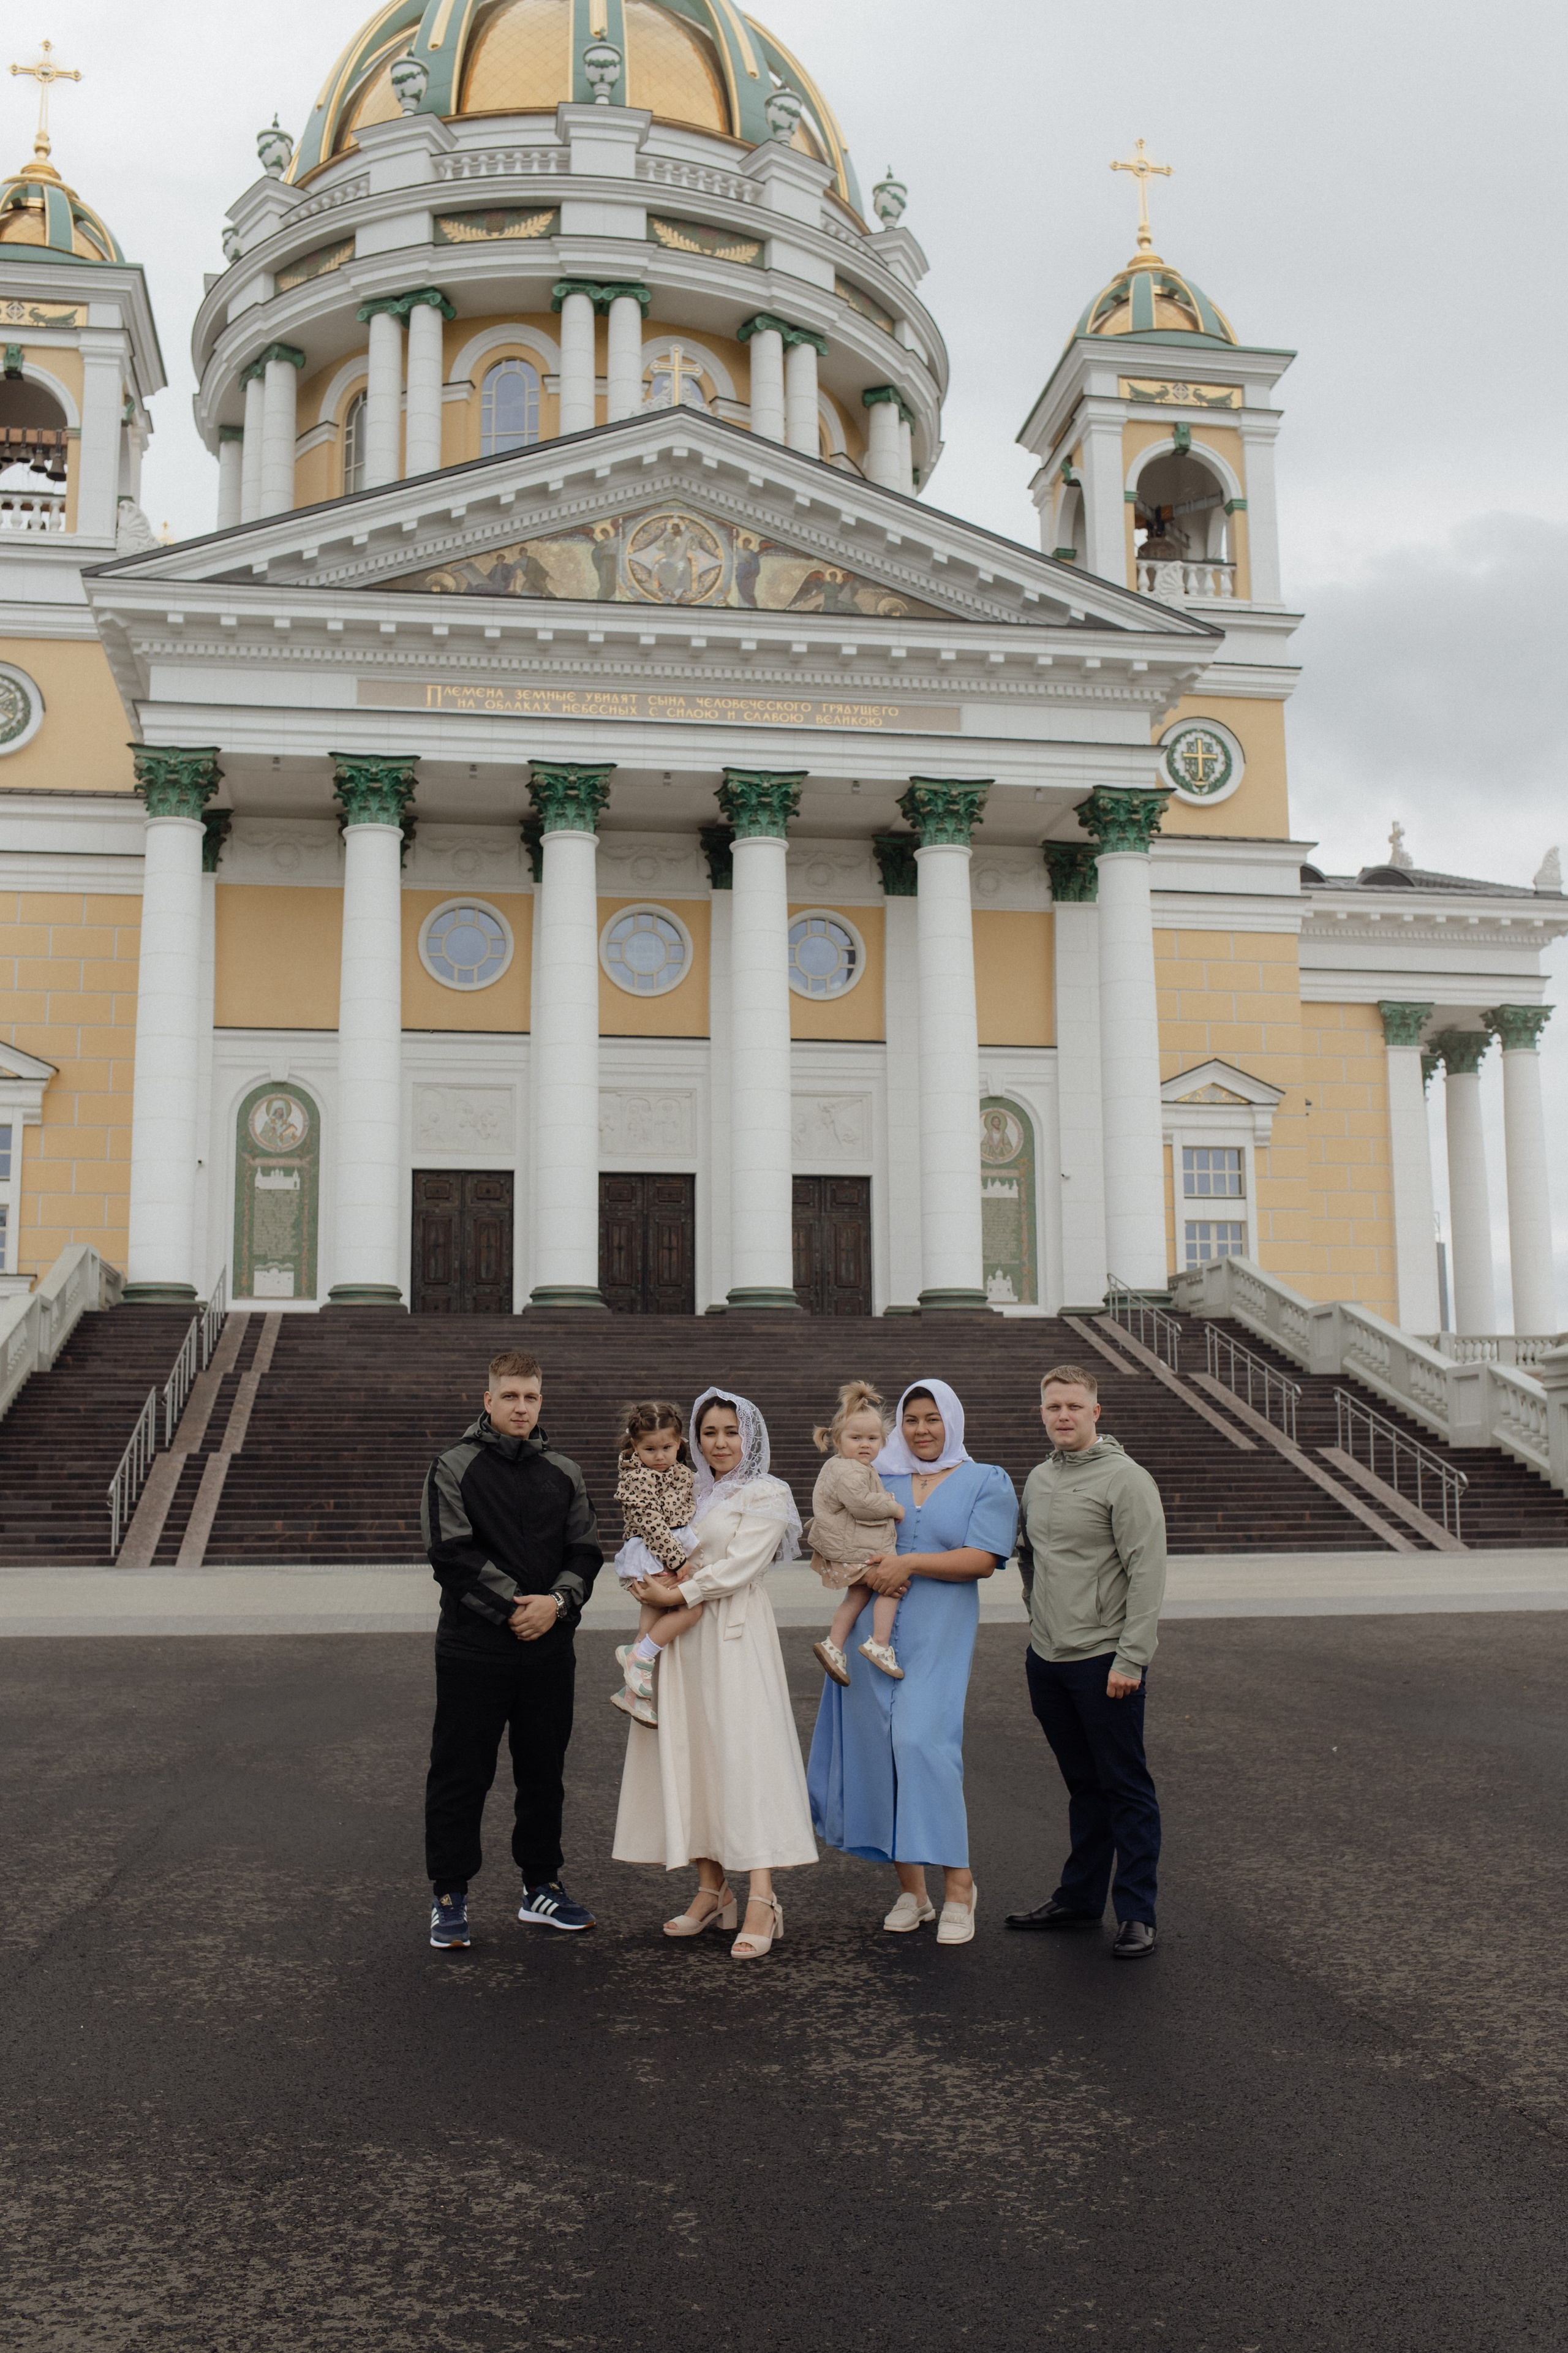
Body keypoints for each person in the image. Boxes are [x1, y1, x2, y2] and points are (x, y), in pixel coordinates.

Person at [807, 1380, 1017, 1947]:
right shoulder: (879, 1473)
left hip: (937, 1631)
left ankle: (959, 1886)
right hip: (870, 1634)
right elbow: (840, 1526)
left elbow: (983, 1558)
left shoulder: (984, 1479)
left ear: (952, 1420)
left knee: (922, 1741)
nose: (921, 1429)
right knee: (880, 1747)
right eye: (912, 1419)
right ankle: (913, 1891)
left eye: (933, 1418)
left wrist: (911, 1563)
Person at [612, 1388, 817, 1960]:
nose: (720, 1443)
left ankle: (763, 1897)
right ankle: (712, 1888)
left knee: (745, 1755)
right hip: (685, 1639)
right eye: (709, 1433)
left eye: (731, 1431)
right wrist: (647, 1583)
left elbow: (741, 1564)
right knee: (694, 1753)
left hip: (735, 1635)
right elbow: (652, 1542)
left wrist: (677, 1592)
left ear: (749, 1436)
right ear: (694, 1440)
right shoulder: (685, 1487)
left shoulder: (767, 1491)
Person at [421, 1349, 603, 1950]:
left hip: (548, 1650)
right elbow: (450, 1553)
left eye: (530, 1397)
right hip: (474, 1649)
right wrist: (517, 1608)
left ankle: (541, 1887)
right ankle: (450, 1894)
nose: (520, 1407)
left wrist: (556, 1603)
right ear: (488, 1400)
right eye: (510, 1396)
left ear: (540, 1401)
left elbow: (585, 1551)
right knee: (460, 1773)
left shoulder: (564, 1471)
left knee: (544, 1772)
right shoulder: (453, 1466)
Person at [1006, 1364, 1166, 1959]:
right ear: (1042, 1413)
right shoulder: (1039, 1477)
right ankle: (1079, 1899)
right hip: (1047, 1658)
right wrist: (1037, 1615)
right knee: (1083, 1785)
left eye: (1074, 1405)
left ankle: (1137, 1912)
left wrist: (1132, 1658)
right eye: (1054, 1407)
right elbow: (1029, 1555)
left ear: (1095, 1412)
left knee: (1126, 1786)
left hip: (1105, 1661)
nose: (1063, 1415)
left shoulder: (1126, 1479)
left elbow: (1147, 1573)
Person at [609, 1399, 702, 1727]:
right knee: (691, 1609)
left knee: (649, 1630)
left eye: (667, 1447)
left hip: (666, 1550)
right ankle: (637, 1655)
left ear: (679, 1443)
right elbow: (650, 1523)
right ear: (635, 1446)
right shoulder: (636, 1478)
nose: (660, 1456)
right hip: (653, 1552)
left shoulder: (682, 1474)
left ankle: (633, 1694)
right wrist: (677, 1559)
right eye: (650, 1449)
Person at [807, 1380, 906, 1685]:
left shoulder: (848, 1467)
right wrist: (892, 1507)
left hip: (848, 1547)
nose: (865, 1444)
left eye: (873, 1438)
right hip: (853, 1550)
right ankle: (879, 1643)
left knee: (857, 1595)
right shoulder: (850, 1470)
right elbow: (862, 1505)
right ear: (838, 1440)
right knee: (892, 1586)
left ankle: (834, 1645)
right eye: (856, 1438)